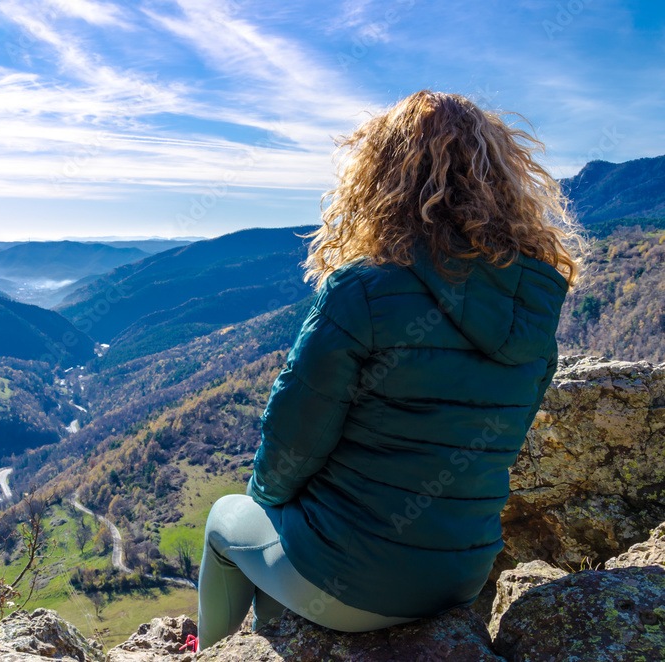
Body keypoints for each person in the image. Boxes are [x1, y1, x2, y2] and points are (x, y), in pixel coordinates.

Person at [194, 90, 583, 651]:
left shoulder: (363, 289)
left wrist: (268, 500)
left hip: (350, 585)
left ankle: (219, 651)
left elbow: (292, 443)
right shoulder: (533, 306)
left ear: (381, 178)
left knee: (227, 518)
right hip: (460, 578)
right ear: (501, 181)